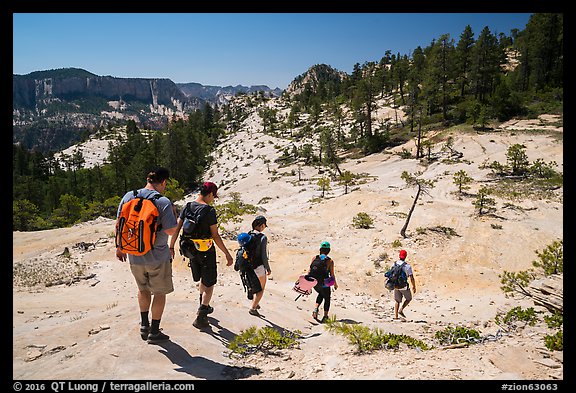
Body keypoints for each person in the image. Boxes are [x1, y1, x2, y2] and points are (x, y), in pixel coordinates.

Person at [115, 167, 178, 344]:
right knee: (159, 293)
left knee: (143, 290)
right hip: (157, 256)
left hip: (134, 254)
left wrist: (120, 248)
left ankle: (144, 325)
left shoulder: (129, 196)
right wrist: (176, 217)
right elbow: (171, 231)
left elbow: (119, 224)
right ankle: (155, 331)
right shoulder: (163, 201)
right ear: (163, 182)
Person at [169, 181, 233, 329]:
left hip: (189, 250)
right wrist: (228, 254)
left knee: (202, 279)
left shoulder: (188, 206)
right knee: (209, 282)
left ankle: (204, 304)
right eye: (213, 196)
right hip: (206, 250)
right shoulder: (209, 211)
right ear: (210, 194)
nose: (213, 199)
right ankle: (202, 315)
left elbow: (177, 229)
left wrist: (171, 246)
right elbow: (215, 236)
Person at [247, 215, 271, 317]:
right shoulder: (262, 237)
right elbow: (263, 255)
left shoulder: (248, 235)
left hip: (248, 266)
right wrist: (268, 268)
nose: (264, 227)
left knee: (254, 286)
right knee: (261, 289)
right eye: (264, 225)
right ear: (261, 225)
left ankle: (255, 303)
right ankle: (253, 308)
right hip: (259, 267)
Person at [309, 241, 338, 323]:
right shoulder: (330, 261)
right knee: (327, 297)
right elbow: (332, 275)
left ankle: (315, 309)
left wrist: (307, 282)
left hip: (314, 282)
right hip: (325, 282)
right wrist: (335, 284)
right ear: (329, 250)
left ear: (320, 249)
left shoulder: (315, 258)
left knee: (321, 293)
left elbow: (310, 270)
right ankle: (325, 316)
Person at [392, 249, 417, 319]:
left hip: (396, 285)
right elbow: (411, 277)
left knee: (397, 301)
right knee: (409, 298)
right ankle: (401, 310)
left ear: (399, 256)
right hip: (403, 286)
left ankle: (396, 316)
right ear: (405, 256)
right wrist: (414, 286)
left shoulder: (394, 264)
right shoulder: (407, 266)